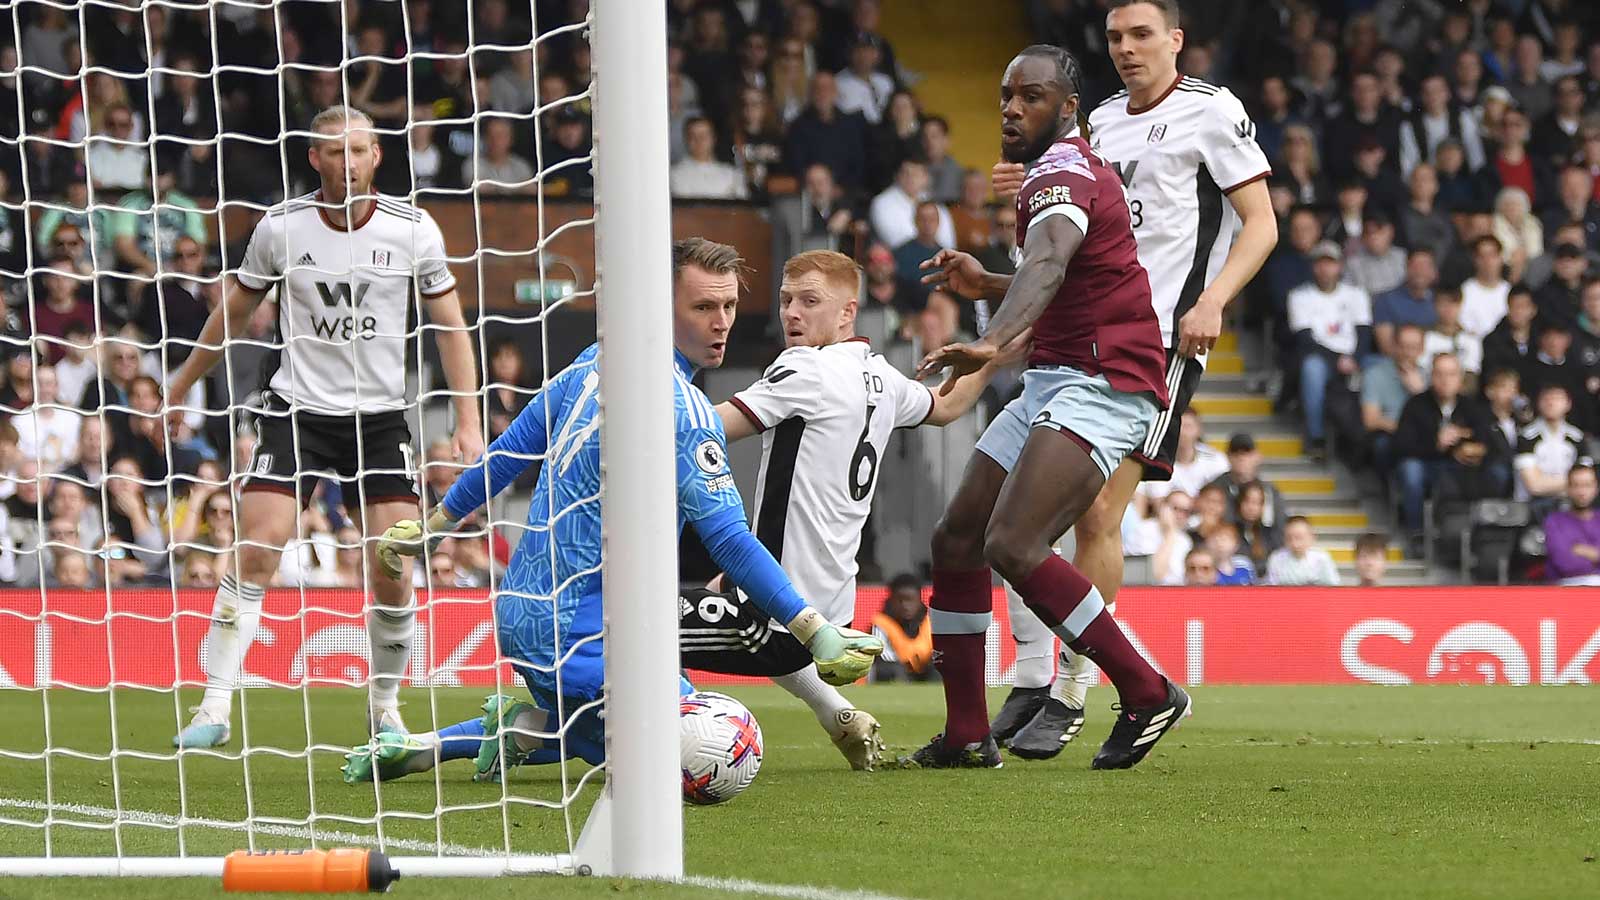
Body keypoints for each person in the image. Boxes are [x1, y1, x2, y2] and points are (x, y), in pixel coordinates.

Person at [339, 238, 882, 784]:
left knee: (645, 726)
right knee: (696, 748)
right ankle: (515, 730)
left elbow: (512, 449)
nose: (721, 323)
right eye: (702, 308)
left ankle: (425, 746)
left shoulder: (597, 361)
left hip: (528, 615)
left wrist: (432, 527)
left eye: (729, 307)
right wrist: (813, 628)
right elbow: (732, 542)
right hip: (585, 633)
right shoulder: (685, 410)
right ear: (656, 305)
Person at [977, 0, 1275, 758]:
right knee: (1026, 515)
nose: (1127, 49)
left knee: (1096, 514)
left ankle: (1074, 689)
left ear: (1176, 40)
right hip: (1087, 338)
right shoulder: (1102, 120)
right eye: (1115, 37)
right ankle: (1042, 676)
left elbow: (1261, 223)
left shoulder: (1213, 111)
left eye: (1142, 35)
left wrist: (1212, 301)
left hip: (1163, 341)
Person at [168, 106, 485, 749]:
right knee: (259, 546)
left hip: (379, 416)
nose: (348, 163)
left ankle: (386, 710)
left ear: (378, 157)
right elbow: (236, 309)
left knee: (391, 561)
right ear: (314, 158)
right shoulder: (279, 228)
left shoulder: (413, 229)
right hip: (296, 409)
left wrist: (468, 420)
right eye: (335, 153)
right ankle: (214, 706)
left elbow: (451, 325)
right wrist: (179, 382)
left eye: (359, 151)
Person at [908, 43, 1184, 772]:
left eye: (1029, 97)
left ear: (1067, 109)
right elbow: (1057, 275)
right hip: (1057, 379)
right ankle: (968, 734)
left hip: (1105, 381)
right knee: (958, 538)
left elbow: (1053, 262)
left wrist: (993, 340)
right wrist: (991, 282)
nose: (1010, 108)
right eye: (1006, 95)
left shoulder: (1059, 173)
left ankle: (1147, 689)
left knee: (1013, 543)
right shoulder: (1056, 175)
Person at [700, 249, 1017, 769]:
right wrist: (992, 352)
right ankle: (840, 714)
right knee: (711, 590)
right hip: (834, 617)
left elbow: (704, 428)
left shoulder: (804, 368)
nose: (791, 314)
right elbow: (948, 406)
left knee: (626, 628)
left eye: (809, 301)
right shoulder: (882, 378)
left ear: (848, 313)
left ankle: (596, 744)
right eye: (785, 301)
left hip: (775, 614)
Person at [1392, 354, 1496, 536]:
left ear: (1460, 379)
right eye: (1439, 374)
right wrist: (1436, 444)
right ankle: (1417, 531)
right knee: (1411, 470)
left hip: (1463, 467)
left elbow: (1486, 439)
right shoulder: (1416, 404)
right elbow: (1401, 446)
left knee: (1496, 472)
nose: (1445, 380)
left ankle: (1481, 532)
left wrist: (1466, 446)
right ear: (1431, 377)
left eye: (1451, 374)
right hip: (1428, 465)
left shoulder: (1471, 406)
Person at [1288, 241, 1372, 461]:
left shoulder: (1356, 294)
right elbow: (1304, 339)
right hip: (1321, 358)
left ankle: (1369, 438)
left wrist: (1354, 358)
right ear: (1313, 266)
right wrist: (1339, 360)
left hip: (1354, 357)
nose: (1325, 269)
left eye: (1331, 263)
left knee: (1379, 368)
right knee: (1312, 369)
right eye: (1320, 263)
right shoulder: (1300, 296)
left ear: (1340, 265)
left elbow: (1364, 332)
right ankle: (1316, 437)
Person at [1514, 384, 1586, 512]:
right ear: (1539, 403)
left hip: (1569, 504)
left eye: (1557, 398)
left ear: (1568, 403)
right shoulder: (1526, 437)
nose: (1551, 403)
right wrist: (1572, 483)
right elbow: (1534, 485)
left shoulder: (1577, 438)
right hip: (1533, 505)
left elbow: (1585, 482)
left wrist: (1575, 485)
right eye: (1546, 399)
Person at [1371, 248, 1439, 357]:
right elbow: (1386, 347)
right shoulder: (1386, 300)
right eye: (1415, 265)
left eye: (1426, 266)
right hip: (1395, 365)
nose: (1420, 271)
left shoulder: (1439, 301)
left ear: (1434, 272)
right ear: (1406, 268)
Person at [1543, 462, 1600, 585]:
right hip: (1566, 589)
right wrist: (1595, 555)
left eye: (1587, 485)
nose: (1582, 491)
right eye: (1576, 485)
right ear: (1568, 488)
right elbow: (1565, 564)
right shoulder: (1555, 522)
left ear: (1596, 488)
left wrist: (1582, 550)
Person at [870, 573, 934, 682]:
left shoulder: (931, 621)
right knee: (887, 670)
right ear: (891, 600)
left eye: (910, 600)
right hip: (896, 671)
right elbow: (884, 657)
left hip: (926, 670)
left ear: (919, 600)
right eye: (900, 600)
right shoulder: (881, 623)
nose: (905, 605)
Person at [1265, 516, 1340, 586]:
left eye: (1299, 538)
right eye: (1289, 538)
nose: (1294, 544)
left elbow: (1333, 587)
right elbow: (1271, 588)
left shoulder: (1322, 558)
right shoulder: (1276, 558)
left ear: (1311, 538)